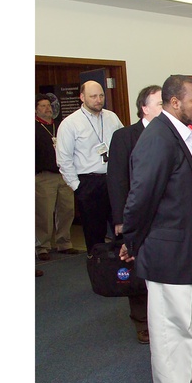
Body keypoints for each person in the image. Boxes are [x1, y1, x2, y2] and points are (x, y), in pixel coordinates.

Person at [120, 75, 192, 383]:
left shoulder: (179, 134)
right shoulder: (158, 138)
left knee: (191, 317)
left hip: (184, 248)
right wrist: (131, 241)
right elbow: (140, 198)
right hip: (167, 250)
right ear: (175, 102)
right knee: (170, 327)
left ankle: (188, 376)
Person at [107, 84, 162, 344]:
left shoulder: (172, 134)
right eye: (160, 104)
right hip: (136, 214)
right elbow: (117, 179)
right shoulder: (125, 136)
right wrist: (121, 220)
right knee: (135, 266)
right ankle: (141, 321)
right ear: (145, 107)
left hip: (164, 216)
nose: (165, 108)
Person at [56, 80, 124, 253]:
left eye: (101, 95)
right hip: (88, 183)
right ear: (82, 97)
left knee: (122, 228)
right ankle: (98, 267)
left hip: (113, 180)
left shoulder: (111, 117)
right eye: (93, 96)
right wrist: (76, 186)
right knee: (94, 233)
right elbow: (64, 158)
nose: (98, 100)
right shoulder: (70, 123)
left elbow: (123, 146)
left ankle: (122, 267)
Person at [35, 94, 78, 261]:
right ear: (36, 110)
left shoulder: (60, 126)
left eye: (49, 106)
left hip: (64, 174)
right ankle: (42, 246)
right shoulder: (34, 128)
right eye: (43, 106)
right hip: (45, 176)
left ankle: (64, 243)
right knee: (44, 213)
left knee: (67, 210)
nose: (48, 109)